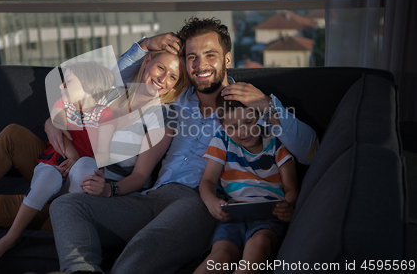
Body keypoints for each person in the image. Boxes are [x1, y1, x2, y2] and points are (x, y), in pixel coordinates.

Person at [48, 17, 319, 274]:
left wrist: (268, 106)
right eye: (192, 57)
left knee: (138, 255)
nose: (200, 65)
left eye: (210, 55)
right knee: (67, 206)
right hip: (150, 197)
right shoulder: (174, 96)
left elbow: (310, 153)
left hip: (198, 204)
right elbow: (113, 83)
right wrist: (144, 46)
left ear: (227, 58)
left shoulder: (247, 107)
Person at [0, 51, 188, 264]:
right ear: (149, 61)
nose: (163, 78)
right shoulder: (117, 91)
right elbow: (75, 108)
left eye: (173, 77)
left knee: (3, 206)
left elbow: (140, 177)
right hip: (65, 162)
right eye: (161, 68)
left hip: (86, 191)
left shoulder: (162, 119)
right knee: (13, 134)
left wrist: (108, 190)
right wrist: (52, 123)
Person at [0, 61, 118, 267]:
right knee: (48, 177)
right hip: (54, 164)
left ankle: (67, 217)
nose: (61, 86)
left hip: (76, 178)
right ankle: (11, 236)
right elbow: (59, 131)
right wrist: (71, 153)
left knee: (87, 166)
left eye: (68, 81)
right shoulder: (62, 105)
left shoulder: (105, 115)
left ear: (90, 86)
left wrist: (81, 162)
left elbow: (103, 153)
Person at [194, 95, 298, 274]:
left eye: (249, 122)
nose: (243, 132)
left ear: (259, 116)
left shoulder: (275, 140)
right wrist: (211, 201)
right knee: (221, 255)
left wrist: (288, 206)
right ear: (223, 127)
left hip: (270, 216)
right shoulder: (222, 141)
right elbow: (208, 181)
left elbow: (291, 188)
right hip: (233, 216)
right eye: (233, 127)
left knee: (259, 244)